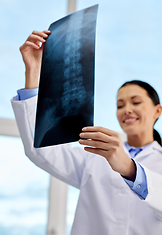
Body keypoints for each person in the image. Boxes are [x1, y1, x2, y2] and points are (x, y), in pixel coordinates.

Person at [11, 30, 162, 235]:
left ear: (157, 110)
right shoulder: (95, 157)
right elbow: (40, 150)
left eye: (136, 102)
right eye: (120, 105)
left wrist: (128, 167)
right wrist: (33, 70)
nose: (127, 109)